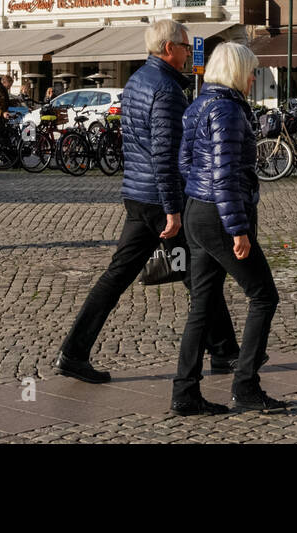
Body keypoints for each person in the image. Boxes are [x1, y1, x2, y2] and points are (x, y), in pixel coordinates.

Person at [55, 20, 238, 384]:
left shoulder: (138, 80)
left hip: (138, 195)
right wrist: (172, 208)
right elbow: (164, 154)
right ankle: (224, 353)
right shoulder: (167, 91)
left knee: (127, 275)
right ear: (168, 48)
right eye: (185, 46)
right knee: (199, 275)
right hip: (158, 200)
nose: (189, 53)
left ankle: (74, 352)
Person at [173, 42, 284, 416]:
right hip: (222, 216)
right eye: (252, 71)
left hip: (197, 211)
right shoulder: (229, 111)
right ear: (238, 71)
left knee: (201, 305)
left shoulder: (198, 104)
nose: (255, 78)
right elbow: (224, 176)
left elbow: (185, 163)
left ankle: (185, 391)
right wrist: (238, 229)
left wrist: (200, 200)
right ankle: (246, 385)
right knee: (264, 296)